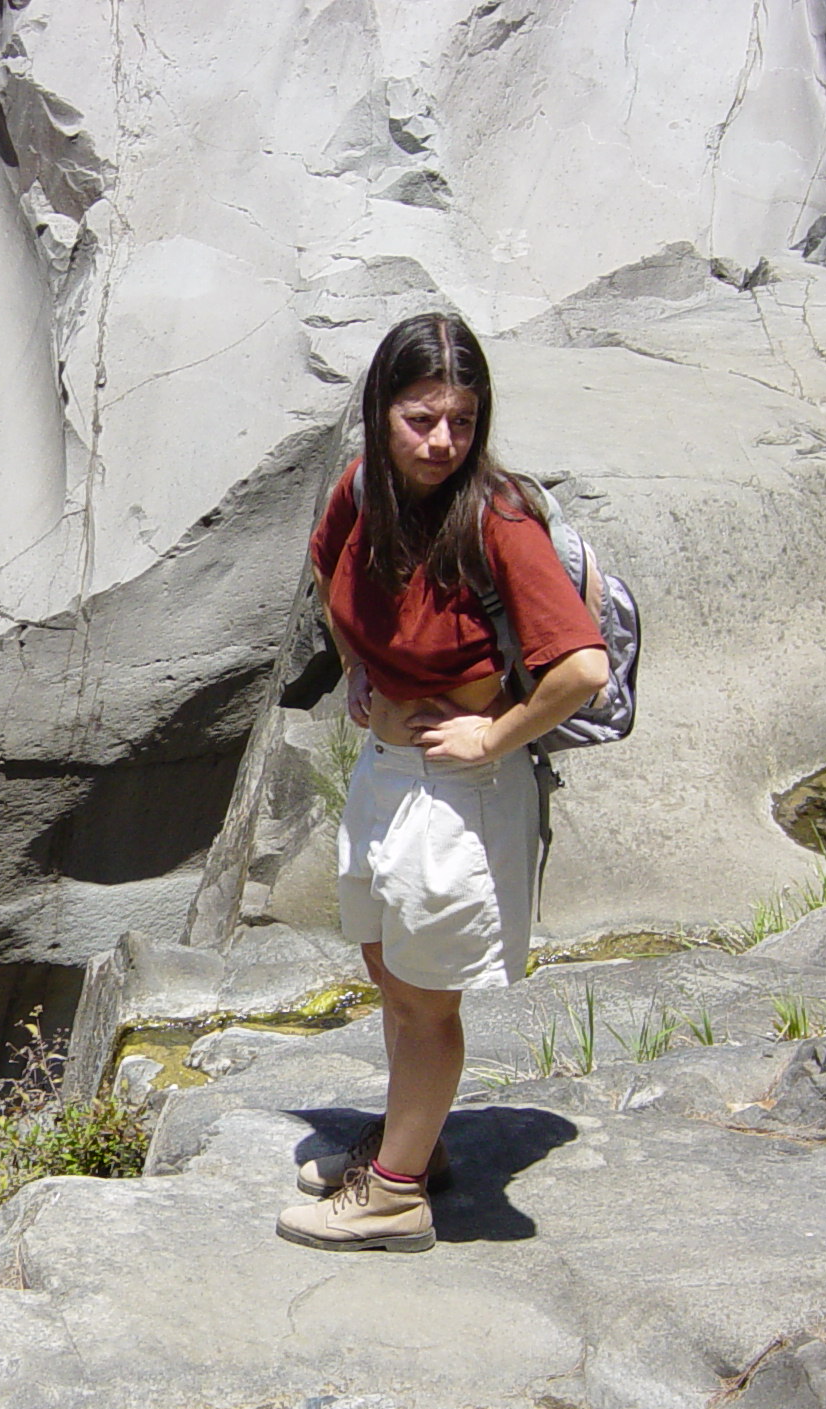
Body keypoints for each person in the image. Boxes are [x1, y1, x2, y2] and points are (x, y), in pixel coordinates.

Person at [274, 312, 609, 1254]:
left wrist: (495, 734)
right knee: (390, 972)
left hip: (462, 794)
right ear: (381, 412)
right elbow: (325, 569)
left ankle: (393, 1200)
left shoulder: (496, 518)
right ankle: (413, 1146)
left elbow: (582, 668)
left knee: (425, 1000)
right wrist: (359, 673)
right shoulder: (362, 492)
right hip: (388, 775)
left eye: (461, 420)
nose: (441, 442)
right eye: (420, 419)